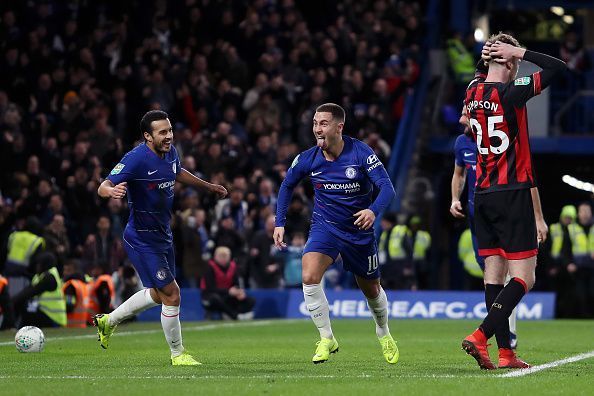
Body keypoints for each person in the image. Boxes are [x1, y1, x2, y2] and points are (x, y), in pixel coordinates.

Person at [461, 34, 566, 370]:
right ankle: (481, 336)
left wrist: (494, 55)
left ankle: (505, 353)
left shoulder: (472, 91)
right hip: (512, 193)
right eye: (516, 62)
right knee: (525, 277)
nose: (519, 65)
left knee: (494, 276)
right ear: (508, 61)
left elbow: (483, 74)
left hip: (483, 195)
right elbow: (557, 67)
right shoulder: (512, 92)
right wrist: (516, 51)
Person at [95, 110, 227, 366]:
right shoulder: (135, 159)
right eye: (162, 132)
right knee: (172, 294)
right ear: (147, 136)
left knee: (158, 294)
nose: (168, 136)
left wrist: (208, 186)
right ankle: (178, 355)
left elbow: (177, 172)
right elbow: (103, 185)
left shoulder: (171, 152)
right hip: (141, 238)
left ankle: (107, 321)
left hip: (163, 236)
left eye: (169, 130)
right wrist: (112, 191)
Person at [273, 103, 398, 364]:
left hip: (358, 231)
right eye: (315, 123)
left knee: (371, 290)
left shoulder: (361, 153)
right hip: (325, 227)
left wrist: (373, 211)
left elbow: (387, 188)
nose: (317, 129)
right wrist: (279, 222)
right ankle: (327, 337)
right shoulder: (308, 158)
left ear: (339, 127)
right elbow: (287, 185)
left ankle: (383, 332)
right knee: (309, 276)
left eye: (323, 123)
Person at [450, 104, 520, 349]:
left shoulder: (496, 141)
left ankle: (507, 333)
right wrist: (454, 199)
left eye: (464, 115)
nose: (460, 120)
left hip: (498, 215)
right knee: (491, 279)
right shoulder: (461, 143)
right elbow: (458, 174)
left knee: (506, 276)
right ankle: (503, 336)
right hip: (475, 218)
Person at [12, 252, 67, 328]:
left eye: (39, 264)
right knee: (25, 306)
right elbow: (28, 290)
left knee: (26, 308)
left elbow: (30, 292)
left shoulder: (49, 278)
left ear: (45, 264)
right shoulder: (42, 276)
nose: (37, 266)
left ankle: (16, 329)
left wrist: (10, 302)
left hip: (53, 317)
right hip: (47, 313)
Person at [200, 246, 255, 320]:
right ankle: (235, 316)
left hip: (227, 295)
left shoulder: (233, 266)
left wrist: (238, 291)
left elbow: (237, 284)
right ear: (215, 256)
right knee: (216, 299)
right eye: (221, 256)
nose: (223, 258)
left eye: (225, 256)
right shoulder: (209, 267)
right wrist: (228, 291)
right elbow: (210, 288)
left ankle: (236, 314)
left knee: (250, 300)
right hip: (210, 297)